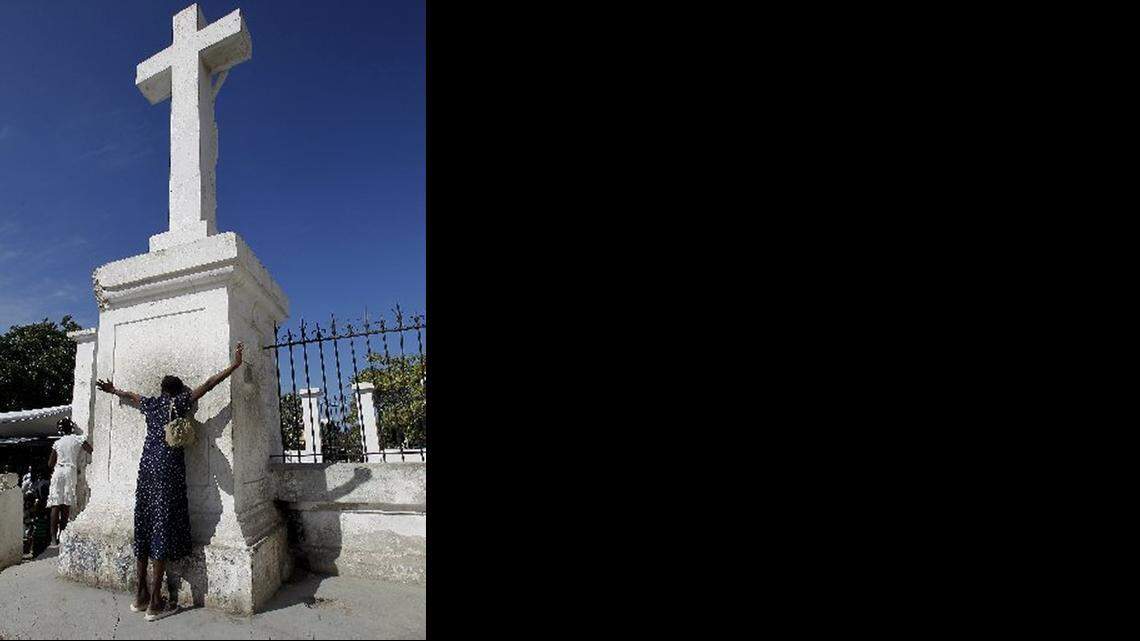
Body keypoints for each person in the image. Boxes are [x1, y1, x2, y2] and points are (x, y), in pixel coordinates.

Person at [95, 342, 244, 622]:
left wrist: (113, 390)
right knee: (162, 527)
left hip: (146, 470)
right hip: (168, 472)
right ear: (179, 391)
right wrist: (235, 365)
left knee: (144, 523)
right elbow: (210, 384)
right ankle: (155, 602)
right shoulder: (180, 403)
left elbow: (130, 395)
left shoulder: (151, 404)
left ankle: (139, 594)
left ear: (162, 389)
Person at [47, 418, 93, 545]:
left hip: (58, 472)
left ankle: (52, 539)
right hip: (69, 471)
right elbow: (90, 449)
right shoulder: (78, 439)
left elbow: (50, 463)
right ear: (71, 427)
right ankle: (62, 532)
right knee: (66, 504)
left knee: (55, 504)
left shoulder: (57, 443)